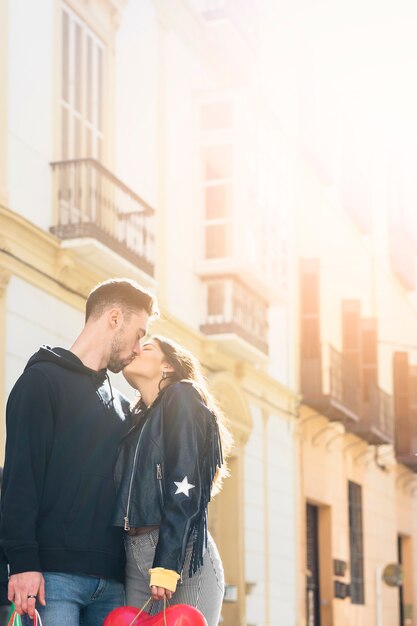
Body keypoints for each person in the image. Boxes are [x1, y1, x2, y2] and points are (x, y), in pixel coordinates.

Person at [0, 278, 158, 626]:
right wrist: (23, 564)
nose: (139, 347)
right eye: (139, 333)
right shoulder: (41, 382)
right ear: (114, 318)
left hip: (113, 584)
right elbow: (19, 479)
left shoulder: (121, 407)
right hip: (52, 579)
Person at [112, 336, 233, 626]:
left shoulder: (182, 395)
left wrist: (166, 564)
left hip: (180, 552)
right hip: (134, 553)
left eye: (148, 347)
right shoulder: (137, 419)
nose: (138, 349)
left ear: (168, 365)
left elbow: (185, 480)